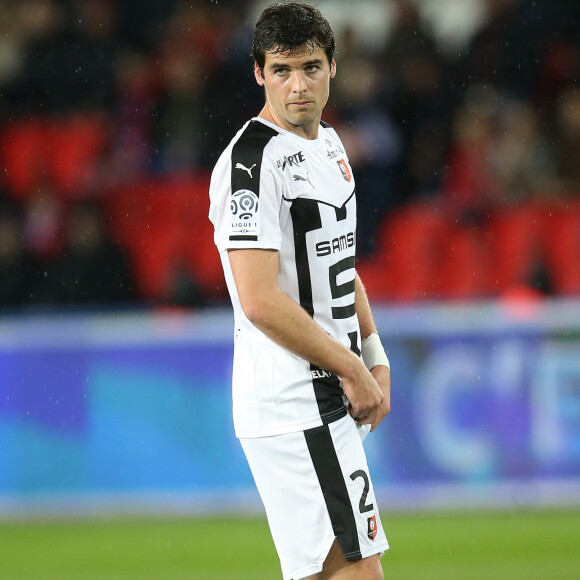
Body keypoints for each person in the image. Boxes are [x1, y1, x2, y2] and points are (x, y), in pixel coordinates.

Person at [208, 3, 391, 579]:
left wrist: (373, 351)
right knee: (359, 573)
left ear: (333, 67)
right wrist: (352, 368)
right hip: (296, 400)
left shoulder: (331, 145)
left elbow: (341, 261)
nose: (298, 85)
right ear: (258, 73)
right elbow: (260, 301)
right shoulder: (251, 163)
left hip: (323, 393)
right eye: (282, 70)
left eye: (311, 67)